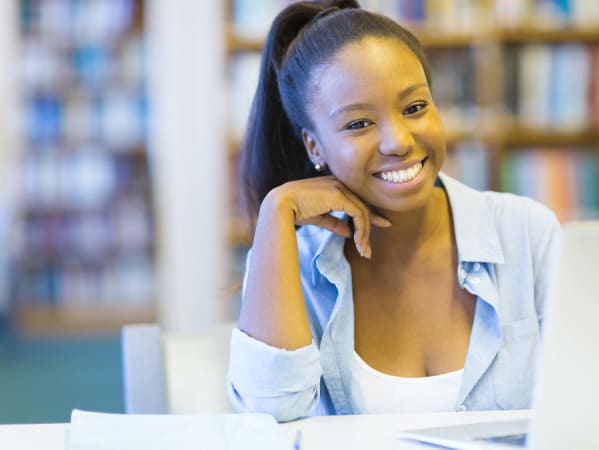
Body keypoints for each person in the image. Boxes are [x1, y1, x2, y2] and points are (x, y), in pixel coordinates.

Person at [227, 0, 561, 423]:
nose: (398, 141)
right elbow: (267, 417)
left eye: (414, 108)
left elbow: (588, 394)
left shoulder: (526, 232)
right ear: (314, 146)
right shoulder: (288, 257)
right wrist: (277, 208)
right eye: (358, 124)